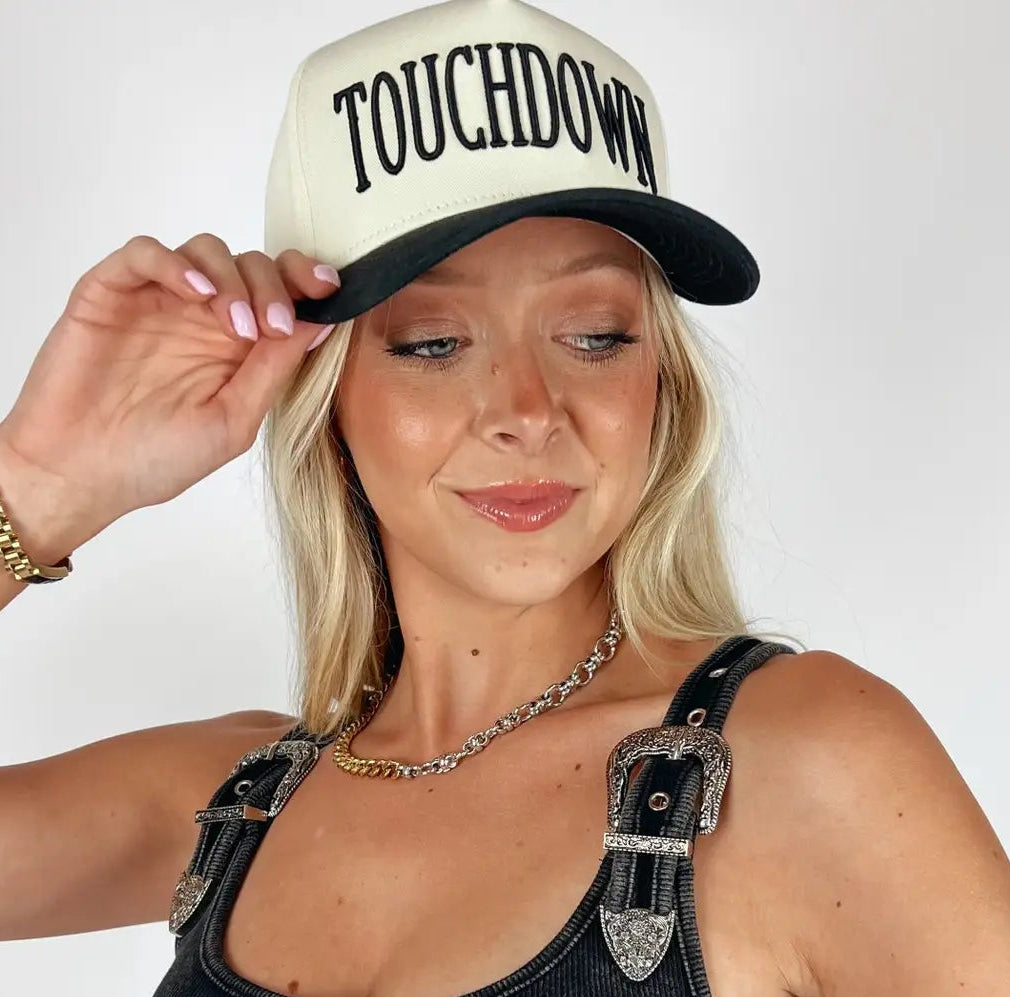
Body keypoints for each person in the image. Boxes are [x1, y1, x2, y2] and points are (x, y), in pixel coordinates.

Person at [1, 0, 1008, 995]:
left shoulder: (805, 761)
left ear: (660, 379)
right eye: (433, 342)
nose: (527, 411)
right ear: (325, 394)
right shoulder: (235, 803)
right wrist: (38, 484)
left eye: (595, 335)